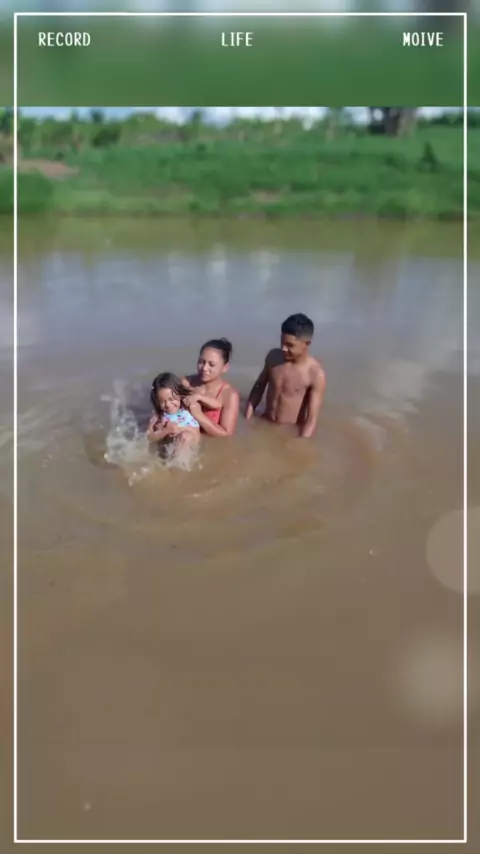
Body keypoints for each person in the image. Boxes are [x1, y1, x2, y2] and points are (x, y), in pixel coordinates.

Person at [244, 313, 325, 438]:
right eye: (282, 342)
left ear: (307, 343)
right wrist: (248, 417)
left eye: (290, 345)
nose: (283, 348)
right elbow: (259, 386)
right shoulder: (273, 357)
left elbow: (311, 419)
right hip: (265, 421)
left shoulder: (314, 373)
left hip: (289, 431)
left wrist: (301, 442)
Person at [181, 338, 240, 438]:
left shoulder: (229, 395)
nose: (204, 368)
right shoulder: (186, 383)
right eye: (201, 362)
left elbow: (226, 435)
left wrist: (198, 415)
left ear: (225, 368)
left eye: (211, 365)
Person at [147, 372, 219, 449]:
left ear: (179, 394)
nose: (167, 404)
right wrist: (165, 431)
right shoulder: (158, 415)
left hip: (191, 441)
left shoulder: (187, 405)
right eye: (162, 401)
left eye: (171, 399)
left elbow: (217, 404)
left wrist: (199, 397)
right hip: (172, 445)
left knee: (185, 436)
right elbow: (148, 437)